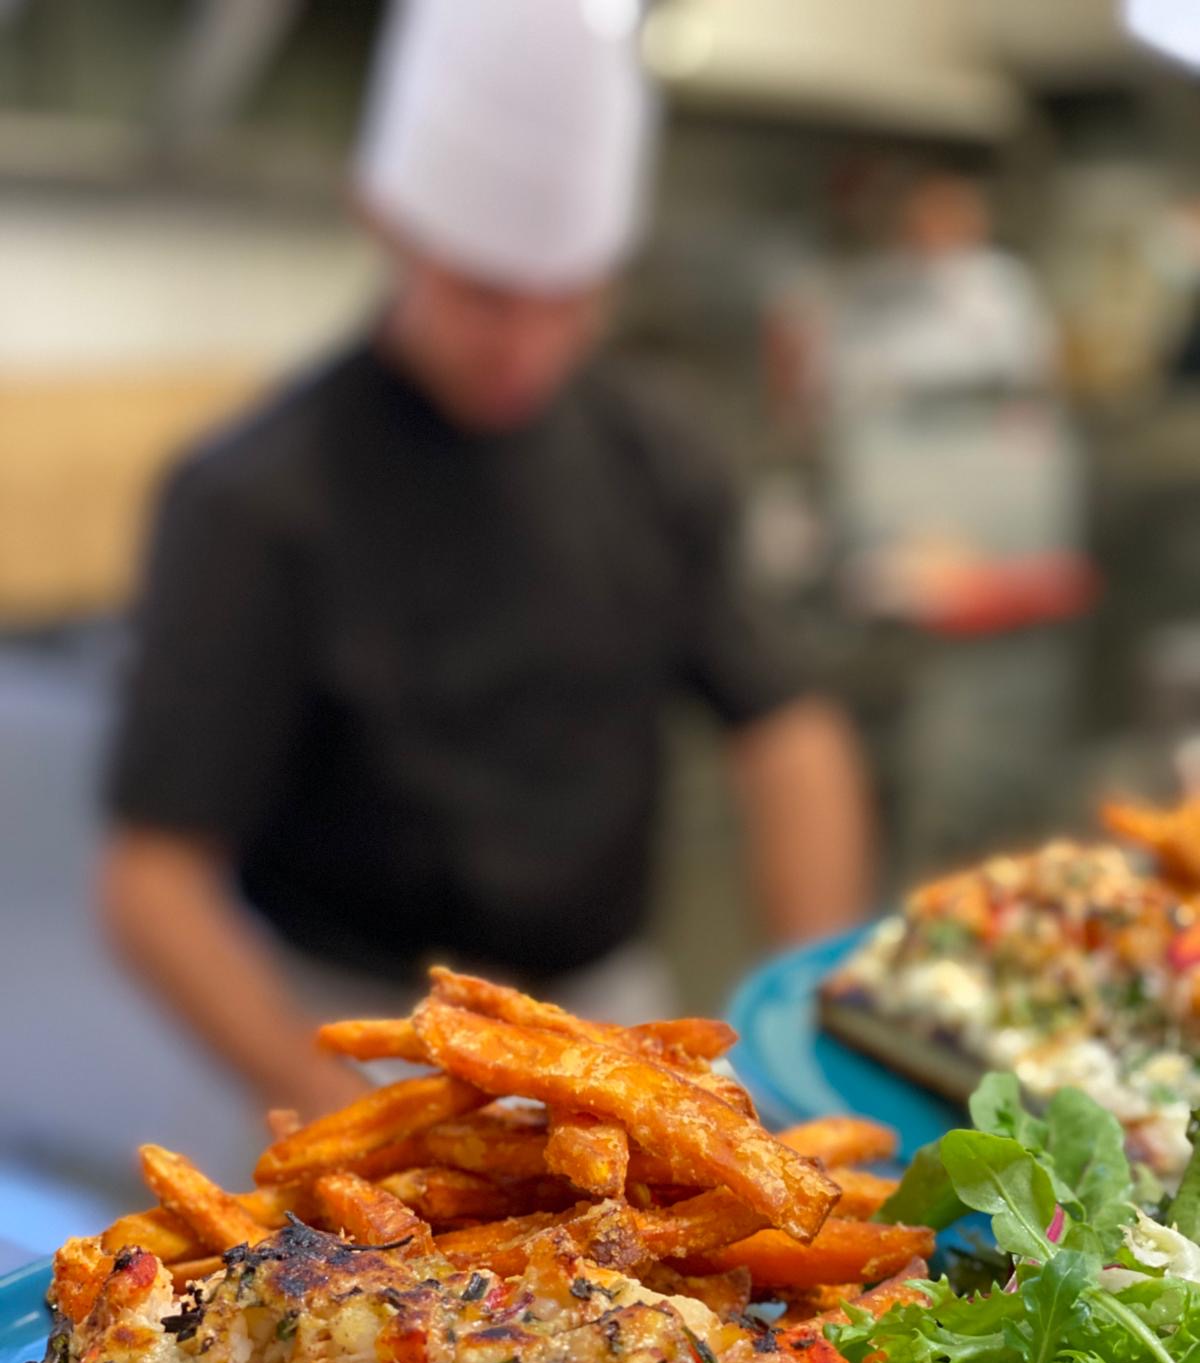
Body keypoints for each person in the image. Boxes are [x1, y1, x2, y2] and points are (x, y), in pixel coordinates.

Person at [97, 0, 872, 1121]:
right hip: (348, 1035)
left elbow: (791, 734)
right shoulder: (250, 497)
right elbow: (151, 883)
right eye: (485, 296)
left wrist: (810, 1040)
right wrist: (345, 1116)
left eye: (570, 299)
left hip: (607, 1020)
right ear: (388, 223)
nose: (527, 345)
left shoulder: (658, 454)